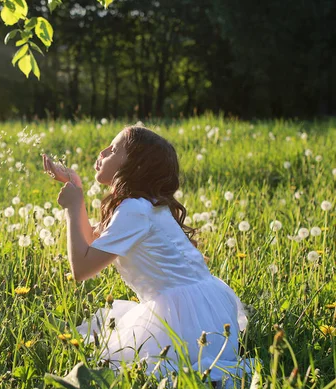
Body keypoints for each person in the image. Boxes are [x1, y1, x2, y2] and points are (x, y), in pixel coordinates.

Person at [42, 125, 253, 387]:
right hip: (204, 307)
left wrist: (73, 209)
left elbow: (82, 268)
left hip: (187, 320)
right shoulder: (143, 204)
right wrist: (77, 188)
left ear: (134, 167)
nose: (102, 151)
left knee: (150, 370)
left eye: (114, 149)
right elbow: (94, 241)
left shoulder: (135, 210)